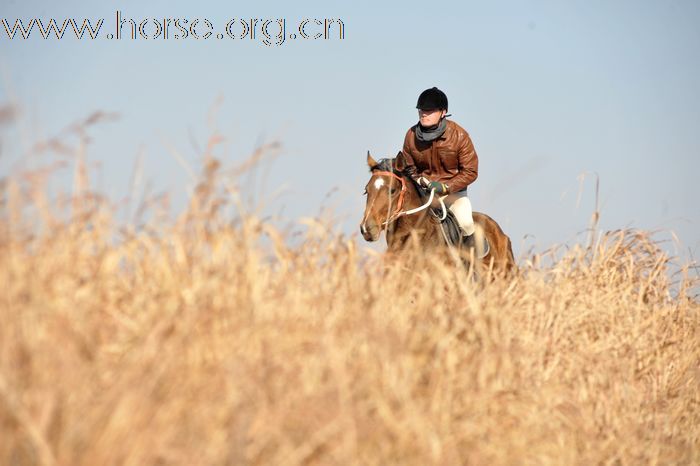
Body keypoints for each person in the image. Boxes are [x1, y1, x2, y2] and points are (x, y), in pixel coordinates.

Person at [400, 87, 479, 246]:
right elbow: (409, 168)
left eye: (430, 111)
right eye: (422, 110)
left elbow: (470, 171)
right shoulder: (411, 135)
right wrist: (420, 180)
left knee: (466, 223)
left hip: (453, 195)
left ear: (443, 112)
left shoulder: (459, 135)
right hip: (423, 195)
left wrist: (445, 186)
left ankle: (470, 265)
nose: (424, 114)